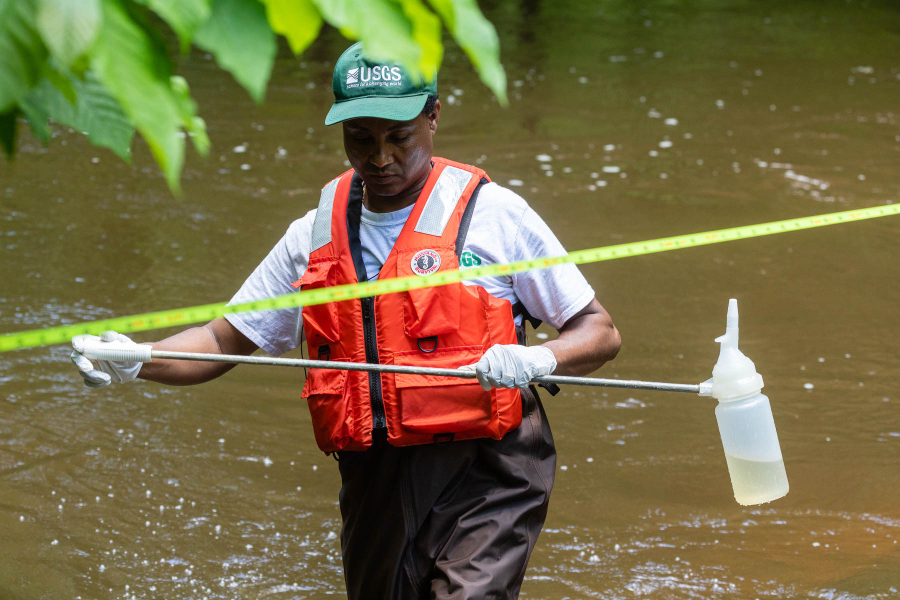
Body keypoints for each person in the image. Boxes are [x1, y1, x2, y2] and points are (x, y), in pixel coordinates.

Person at [71, 42, 622, 599]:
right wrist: (137, 360)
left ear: (433, 117)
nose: (380, 157)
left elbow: (600, 331)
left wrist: (537, 357)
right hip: (373, 479)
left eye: (398, 137)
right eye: (360, 138)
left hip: (489, 467)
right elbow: (221, 339)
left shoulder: (497, 217)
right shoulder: (312, 237)